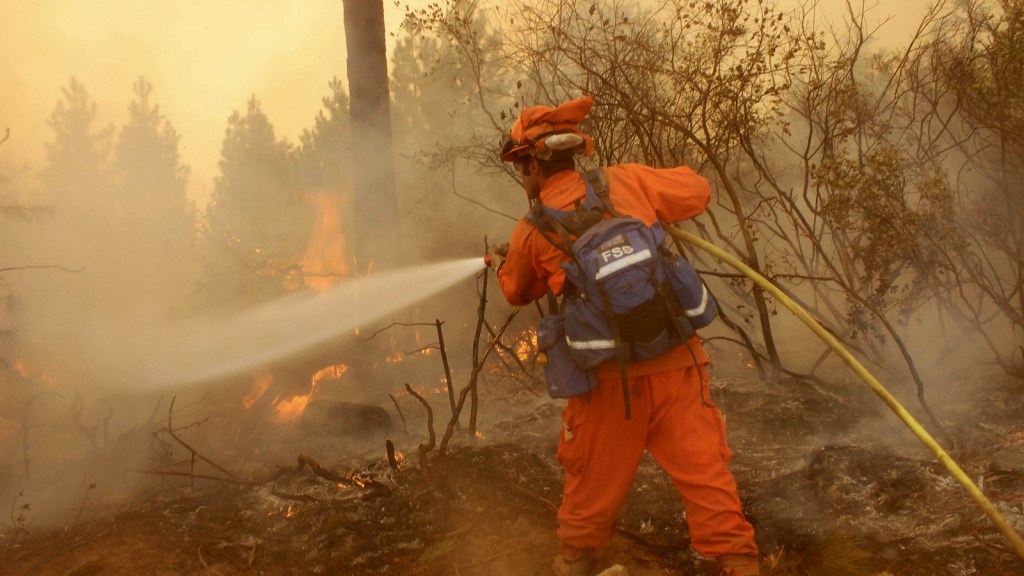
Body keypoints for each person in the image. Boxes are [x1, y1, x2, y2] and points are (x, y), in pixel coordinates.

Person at [490, 96, 760, 576]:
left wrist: (502, 265)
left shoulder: (532, 230)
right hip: (678, 360)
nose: (523, 179)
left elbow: (515, 290)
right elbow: (696, 192)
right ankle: (737, 561)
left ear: (534, 162)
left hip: (608, 381)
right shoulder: (625, 179)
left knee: (590, 477)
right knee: (706, 473)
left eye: (521, 168)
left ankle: (577, 562)